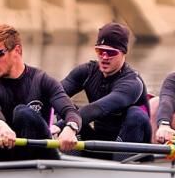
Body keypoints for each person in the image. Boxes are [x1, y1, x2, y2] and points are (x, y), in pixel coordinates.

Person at [0, 23, 81, 161]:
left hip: (41, 155)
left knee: (22, 113)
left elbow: (71, 111)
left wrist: (70, 128)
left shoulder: (42, 80)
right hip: (5, 151)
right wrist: (2, 127)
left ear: (17, 50)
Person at [60, 22, 152, 150]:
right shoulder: (86, 72)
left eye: (110, 53)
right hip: (99, 141)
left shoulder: (132, 83)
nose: (104, 57)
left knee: (136, 114)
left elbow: (98, 108)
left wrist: (67, 126)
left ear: (123, 53)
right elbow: (54, 94)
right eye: (100, 51)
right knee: (64, 105)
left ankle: (120, 163)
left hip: (130, 143)